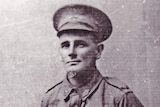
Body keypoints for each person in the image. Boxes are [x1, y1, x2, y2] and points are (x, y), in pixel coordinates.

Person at [41, 4, 143, 107]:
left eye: (80, 45)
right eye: (65, 45)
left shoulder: (119, 97)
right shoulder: (50, 99)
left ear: (98, 51)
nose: (71, 52)